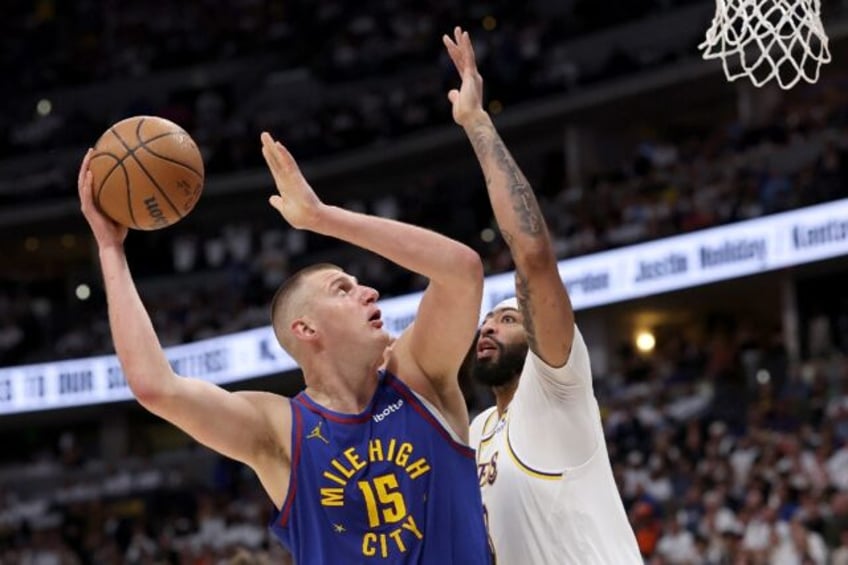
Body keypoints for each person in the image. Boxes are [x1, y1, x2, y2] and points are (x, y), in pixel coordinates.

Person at [76, 132, 492, 563]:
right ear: (306, 328)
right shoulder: (279, 429)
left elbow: (462, 272)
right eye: (343, 289)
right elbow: (154, 386)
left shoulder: (419, 377)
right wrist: (110, 248)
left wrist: (321, 217)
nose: (369, 292)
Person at [443, 27, 642, 564]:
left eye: (506, 318)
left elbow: (532, 254)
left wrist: (476, 123)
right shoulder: (477, 429)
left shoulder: (557, 382)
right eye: (486, 322)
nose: (487, 327)